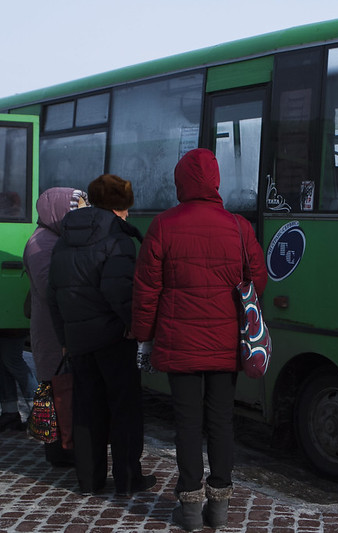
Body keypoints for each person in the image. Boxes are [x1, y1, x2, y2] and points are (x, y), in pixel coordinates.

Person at [132, 149, 267, 531]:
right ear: (216, 181)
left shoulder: (163, 225)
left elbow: (146, 290)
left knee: (188, 425)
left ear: (181, 183)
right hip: (226, 345)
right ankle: (220, 505)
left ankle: (189, 507)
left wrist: (144, 336)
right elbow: (258, 280)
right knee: (222, 422)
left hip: (180, 344)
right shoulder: (239, 227)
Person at [48, 174, 156, 496]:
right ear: (122, 205)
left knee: (86, 409)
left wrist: (64, 337)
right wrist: (134, 326)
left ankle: (89, 480)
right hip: (113, 338)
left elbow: (52, 294)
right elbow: (119, 291)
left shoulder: (64, 237)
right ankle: (127, 479)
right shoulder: (117, 238)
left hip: (79, 341)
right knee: (124, 408)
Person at [23, 187, 89, 466]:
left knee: (64, 388)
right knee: (56, 389)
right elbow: (52, 288)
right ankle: (60, 452)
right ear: (58, 211)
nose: (83, 217)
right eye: (77, 211)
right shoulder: (41, 244)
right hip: (53, 331)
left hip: (62, 327)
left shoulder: (56, 239)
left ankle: (66, 447)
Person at [0, 331, 36, 433]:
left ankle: (40, 412)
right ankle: (10, 412)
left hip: (12, 325)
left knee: (13, 361)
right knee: (0, 363)